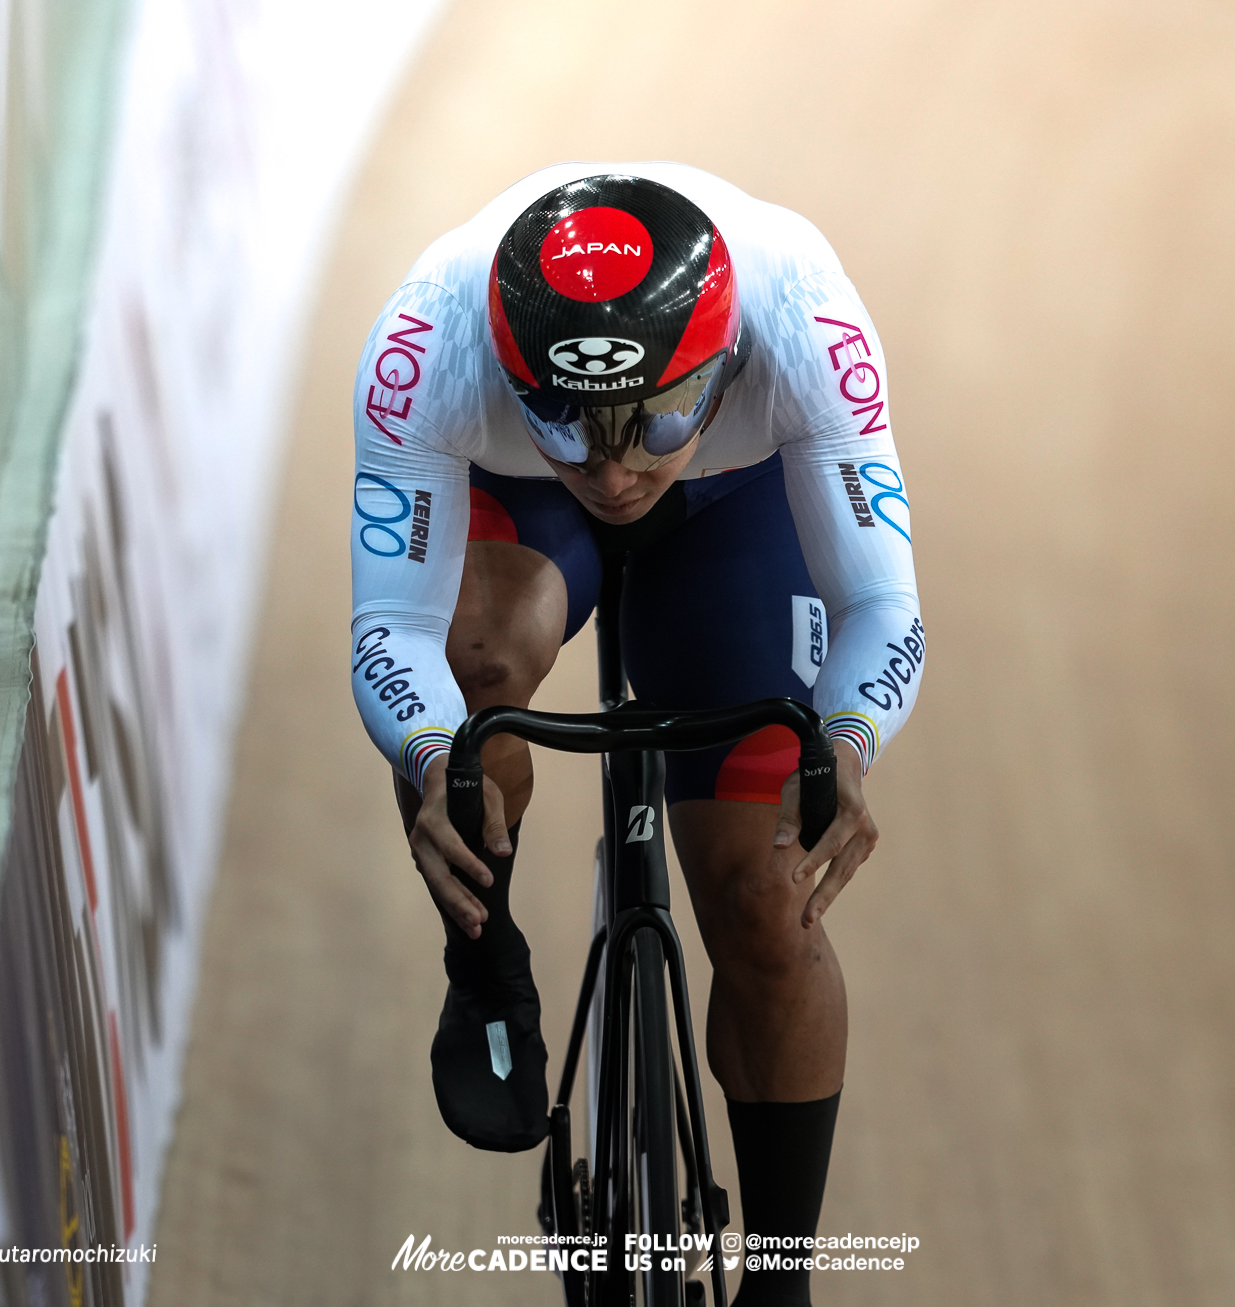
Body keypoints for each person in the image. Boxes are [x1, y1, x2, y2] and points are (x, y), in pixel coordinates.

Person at [349, 163, 923, 1306]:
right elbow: (391, 627)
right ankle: (484, 950)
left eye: (651, 423)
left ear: (722, 364)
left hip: (737, 491)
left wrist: (846, 740)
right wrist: (430, 759)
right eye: (573, 427)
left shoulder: (804, 315)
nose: (614, 471)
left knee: (766, 895)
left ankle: (780, 1282)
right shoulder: (426, 344)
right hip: (523, 498)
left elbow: (883, 607)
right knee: (472, 682)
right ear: (510, 375)